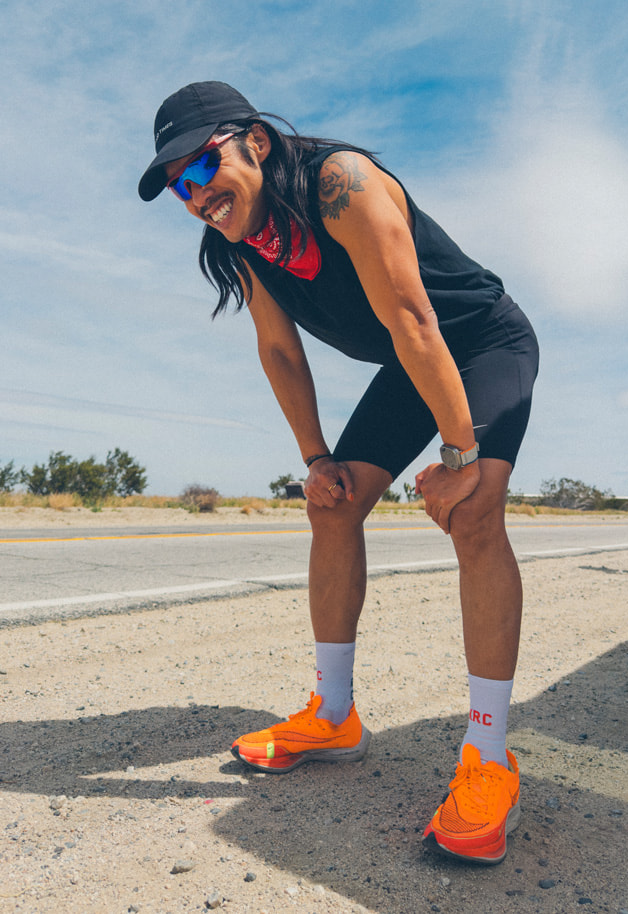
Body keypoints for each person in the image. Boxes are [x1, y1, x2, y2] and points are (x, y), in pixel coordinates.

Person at [139, 81, 539, 866]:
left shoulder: (339, 184)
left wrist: (460, 458)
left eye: (203, 168)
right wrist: (315, 459)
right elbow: (278, 349)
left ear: (254, 142)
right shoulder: (241, 242)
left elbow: (413, 319)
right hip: (411, 362)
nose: (197, 196)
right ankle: (332, 715)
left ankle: (488, 757)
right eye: (180, 188)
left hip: (480, 343)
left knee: (473, 512)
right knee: (332, 507)